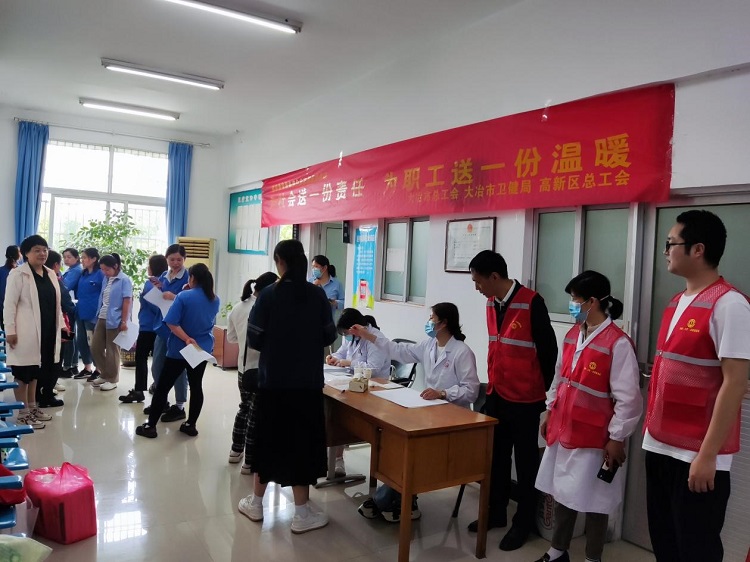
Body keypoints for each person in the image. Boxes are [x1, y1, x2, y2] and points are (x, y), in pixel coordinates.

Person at [643, 210, 750, 562]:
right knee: (665, 543)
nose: (666, 251)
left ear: (698, 249)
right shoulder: (677, 302)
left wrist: (708, 455)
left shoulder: (730, 305)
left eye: (671, 243)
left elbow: (735, 383)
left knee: (696, 548)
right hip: (660, 443)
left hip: (696, 454)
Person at [533, 271, 642, 562]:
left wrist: (617, 438)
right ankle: (558, 551)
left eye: (575, 299)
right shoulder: (572, 335)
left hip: (596, 438)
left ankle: (593, 557)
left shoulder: (617, 343)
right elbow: (559, 378)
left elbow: (629, 400)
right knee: (563, 492)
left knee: (596, 501)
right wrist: (549, 411)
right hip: (564, 430)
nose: (572, 305)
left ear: (592, 302)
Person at [237, 239, 337, 534]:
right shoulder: (317, 295)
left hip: (273, 383)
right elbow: (328, 336)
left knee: (267, 440)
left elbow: (255, 339)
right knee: (301, 444)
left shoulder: (269, 295)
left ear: (280, 262)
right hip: (307, 385)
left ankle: (256, 504)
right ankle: (302, 514)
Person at [353, 302, 480, 523]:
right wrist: (369, 336)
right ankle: (400, 501)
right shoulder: (429, 345)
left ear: (443, 323)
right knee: (398, 444)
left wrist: (443, 393)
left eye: (432, 318)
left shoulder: (462, 352)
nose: (429, 322)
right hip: (429, 413)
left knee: (411, 452)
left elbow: (471, 391)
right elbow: (398, 350)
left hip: (452, 418)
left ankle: (392, 501)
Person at [468, 250, 558, 551]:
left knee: (526, 463)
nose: (477, 288)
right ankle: (496, 513)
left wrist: (539, 389)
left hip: (525, 399)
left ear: (494, 277)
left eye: (479, 282)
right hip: (496, 394)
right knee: (497, 458)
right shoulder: (491, 303)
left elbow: (548, 352)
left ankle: (523, 523)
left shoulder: (532, 302)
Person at [135, 263, 220, 438]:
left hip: (179, 349)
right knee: (196, 386)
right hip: (201, 349)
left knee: (163, 387)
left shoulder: (183, 296)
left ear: (192, 278)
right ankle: (190, 425)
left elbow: (172, 323)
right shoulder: (214, 299)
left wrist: (186, 338)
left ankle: (150, 426)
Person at [2, 235, 64, 430]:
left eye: (45, 250)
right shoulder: (18, 274)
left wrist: (62, 325)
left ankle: (33, 407)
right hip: (25, 331)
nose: (42, 253)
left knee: (36, 371)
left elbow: (57, 304)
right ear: (26, 253)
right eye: (37, 250)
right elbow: (9, 304)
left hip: (47, 330)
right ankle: (23, 414)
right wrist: (10, 330)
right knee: (23, 372)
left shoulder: (50, 273)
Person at [325, 307, 391, 477]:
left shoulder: (375, 338)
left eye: (347, 332)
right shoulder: (352, 335)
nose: (346, 336)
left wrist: (349, 363)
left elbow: (374, 369)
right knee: (334, 411)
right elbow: (342, 352)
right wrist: (334, 358)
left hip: (373, 388)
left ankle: (338, 460)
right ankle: (332, 459)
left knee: (342, 416)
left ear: (355, 327)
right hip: (351, 383)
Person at [226, 272, 278, 470]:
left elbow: (231, 338)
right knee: (256, 414)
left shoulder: (238, 307)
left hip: (243, 368)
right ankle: (250, 460)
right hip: (261, 369)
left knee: (244, 408)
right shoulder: (266, 309)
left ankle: (235, 450)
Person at [144, 244, 190, 422]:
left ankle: (179, 406)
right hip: (162, 326)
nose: (176, 263)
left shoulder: (188, 277)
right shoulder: (164, 275)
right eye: (172, 259)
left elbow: (191, 300)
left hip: (179, 329)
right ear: (166, 259)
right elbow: (161, 297)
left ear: (184, 259)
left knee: (178, 369)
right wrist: (159, 288)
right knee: (157, 366)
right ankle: (161, 400)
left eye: (179, 259)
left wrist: (175, 296)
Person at [119, 254, 168, 404]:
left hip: (148, 327)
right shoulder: (165, 283)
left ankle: (139, 390)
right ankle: (156, 387)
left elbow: (155, 306)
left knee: (141, 358)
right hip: (161, 327)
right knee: (159, 360)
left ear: (152, 267)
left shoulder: (150, 283)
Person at [36, 250, 76, 408]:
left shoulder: (38, 279)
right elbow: (66, 304)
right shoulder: (55, 280)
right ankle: (47, 394)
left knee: (43, 360)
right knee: (55, 361)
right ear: (55, 265)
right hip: (58, 324)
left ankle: (38, 392)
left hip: (41, 325)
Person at [90, 253, 132, 392]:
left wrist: (124, 321)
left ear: (115, 266)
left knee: (112, 350)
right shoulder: (106, 279)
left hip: (116, 318)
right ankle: (105, 374)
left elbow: (127, 301)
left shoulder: (124, 280)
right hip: (102, 316)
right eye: (102, 269)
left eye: (107, 269)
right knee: (95, 347)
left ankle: (112, 379)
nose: (104, 272)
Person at [72, 248, 104, 381]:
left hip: (93, 314)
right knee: (81, 341)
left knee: (93, 343)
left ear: (94, 259)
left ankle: (99, 368)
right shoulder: (83, 273)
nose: (82, 260)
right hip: (81, 311)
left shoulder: (100, 274)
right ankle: (87, 367)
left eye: (84, 257)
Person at [60, 247, 83, 376]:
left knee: (68, 335)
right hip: (70, 305)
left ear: (77, 258)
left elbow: (65, 287)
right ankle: (73, 365)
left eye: (69, 257)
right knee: (71, 336)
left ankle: (67, 366)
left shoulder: (76, 270)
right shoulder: (71, 270)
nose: (66, 259)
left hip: (69, 306)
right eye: (64, 257)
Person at [0, 245, 21, 331]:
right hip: (16, 310)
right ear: (18, 255)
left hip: (2, 309)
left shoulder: (1, 271)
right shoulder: (20, 272)